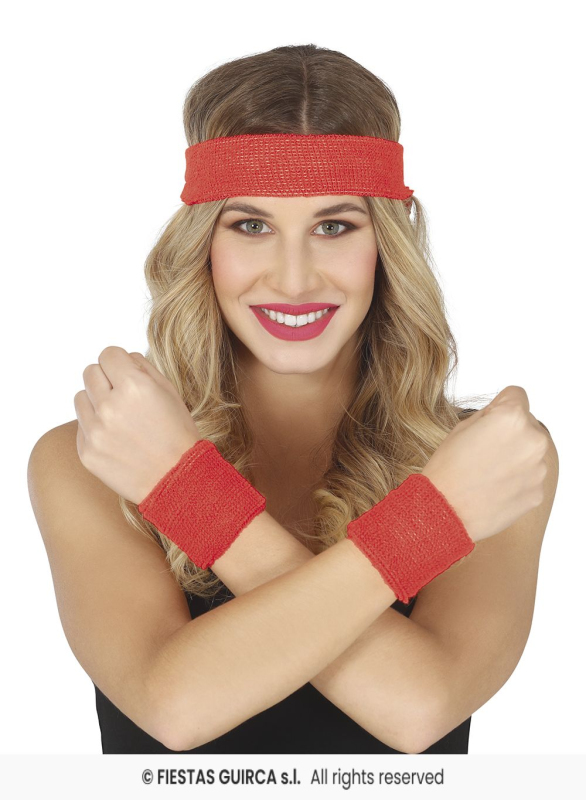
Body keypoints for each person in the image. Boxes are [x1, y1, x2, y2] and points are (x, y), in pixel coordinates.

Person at [26, 43, 558, 755]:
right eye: (251, 225)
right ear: (203, 244)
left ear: (386, 247)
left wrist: (184, 491)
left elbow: (419, 708)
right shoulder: (93, 457)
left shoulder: (488, 461)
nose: (295, 278)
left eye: (334, 226)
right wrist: (439, 517)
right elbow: (173, 706)